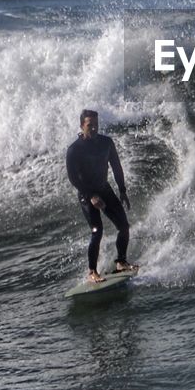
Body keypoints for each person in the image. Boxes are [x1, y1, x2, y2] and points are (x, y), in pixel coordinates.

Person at [65, 109, 136, 281]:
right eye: (90, 125)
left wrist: (122, 190)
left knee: (124, 226)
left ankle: (121, 262)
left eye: (96, 124)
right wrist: (90, 196)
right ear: (82, 126)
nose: (94, 128)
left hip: (105, 189)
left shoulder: (106, 143)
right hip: (86, 194)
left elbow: (117, 167)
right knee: (97, 231)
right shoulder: (74, 150)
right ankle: (92, 272)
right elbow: (73, 178)